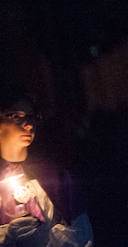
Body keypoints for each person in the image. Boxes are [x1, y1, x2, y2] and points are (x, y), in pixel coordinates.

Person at [0, 89, 94, 247]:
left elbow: (83, 234)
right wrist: (6, 237)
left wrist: (46, 238)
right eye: (16, 116)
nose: (29, 125)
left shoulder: (54, 176)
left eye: (32, 116)